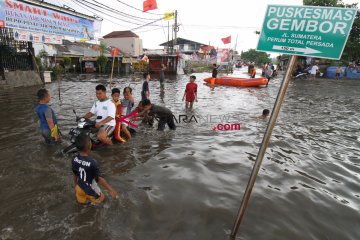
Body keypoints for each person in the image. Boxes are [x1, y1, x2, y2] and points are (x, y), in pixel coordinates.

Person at [72, 133, 118, 204]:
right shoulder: (92, 162)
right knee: (102, 200)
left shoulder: (74, 159)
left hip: (79, 188)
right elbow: (99, 179)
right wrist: (111, 190)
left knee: (82, 204)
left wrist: (75, 186)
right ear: (90, 145)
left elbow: (75, 175)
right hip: (91, 189)